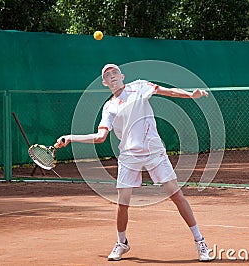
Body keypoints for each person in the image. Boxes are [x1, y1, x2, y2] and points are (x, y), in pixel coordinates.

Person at [56, 64, 214, 262]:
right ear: (105, 83)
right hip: (129, 155)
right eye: (107, 75)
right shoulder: (109, 107)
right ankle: (122, 243)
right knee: (122, 203)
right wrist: (71, 137)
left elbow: (169, 92)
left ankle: (200, 242)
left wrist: (191, 95)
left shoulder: (139, 86)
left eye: (115, 73)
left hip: (153, 150)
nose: (112, 76)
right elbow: (100, 136)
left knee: (176, 195)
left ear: (122, 76)